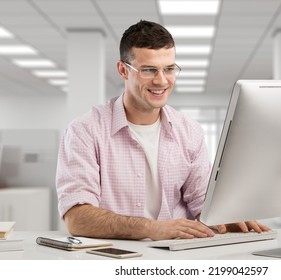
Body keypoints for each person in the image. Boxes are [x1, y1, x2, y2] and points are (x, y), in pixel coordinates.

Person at [56, 20, 269, 241]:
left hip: (176, 256)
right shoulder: (85, 131)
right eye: (149, 70)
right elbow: (77, 217)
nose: (161, 81)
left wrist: (224, 216)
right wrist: (151, 228)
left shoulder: (190, 132)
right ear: (123, 70)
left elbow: (202, 202)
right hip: (110, 258)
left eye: (169, 69)